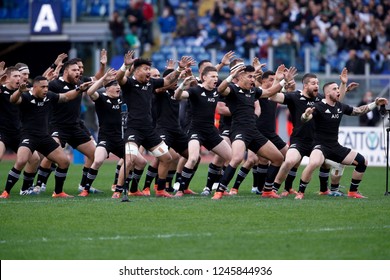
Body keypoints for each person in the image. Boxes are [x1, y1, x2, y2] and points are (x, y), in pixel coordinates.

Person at [113, 51, 195, 198]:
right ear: (137, 71)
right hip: (133, 129)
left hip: (149, 130)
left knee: (167, 158)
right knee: (130, 159)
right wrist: (125, 65)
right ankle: (118, 190)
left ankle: (160, 190)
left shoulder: (151, 83)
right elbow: (119, 78)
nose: (148, 72)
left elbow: (168, 80)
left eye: (148, 69)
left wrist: (179, 69)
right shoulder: (130, 83)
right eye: (145, 69)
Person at [0, 76, 91, 199]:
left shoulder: (49, 96)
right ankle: (6, 192)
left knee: (64, 162)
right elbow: (13, 99)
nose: (45, 89)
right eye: (42, 87)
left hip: (44, 137)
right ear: (35, 87)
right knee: (21, 161)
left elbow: (66, 96)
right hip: (28, 136)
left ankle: (58, 192)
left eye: (47, 86)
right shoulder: (26, 97)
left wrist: (79, 89)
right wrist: (20, 91)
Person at [212, 64, 295, 200]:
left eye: (253, 76)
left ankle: (267, 190)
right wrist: (231, 75)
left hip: (253, 132)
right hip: (239, 131)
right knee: (237, 158)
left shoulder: (253, 91)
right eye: (249, 76)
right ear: (240, 76)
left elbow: (269, 93)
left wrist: (283, 81)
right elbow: (220, 89)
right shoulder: (232, 89)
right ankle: (220, 191)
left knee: (278, 158)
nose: (252, 79)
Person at [297, 82, 388, 199]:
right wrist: (305, 115)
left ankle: (353, 192)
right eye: (335, 89)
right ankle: (300, 192)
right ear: (327, 93)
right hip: (320, 146)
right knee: (314, 163)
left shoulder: (340, 106)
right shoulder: (318, 106)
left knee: (362, 161)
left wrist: (375, 103)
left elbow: (359, 110)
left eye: (338, 89)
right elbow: (304, 119)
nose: (338, 91)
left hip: (335, 146)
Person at [174, 66, 232, 196]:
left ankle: (220, 188)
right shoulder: (195, 90)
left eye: (216, 77)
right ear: (204, 77)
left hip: (211, 131)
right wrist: (182, 85)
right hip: (196, 131)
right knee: (193, 158)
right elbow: (178, 96)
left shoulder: (217, 91)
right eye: (212, 76)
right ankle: (181, 190)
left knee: (231, 157)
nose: (215, 79)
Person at [0, 66, 41, 196]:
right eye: (15, 76)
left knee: (35, 159)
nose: (19, 78)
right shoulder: (1, 90)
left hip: (18, 133)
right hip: (2, 132)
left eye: (20, 76)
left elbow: (40, 87)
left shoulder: (24, 92)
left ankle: (25, 189)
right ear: (7, 79)